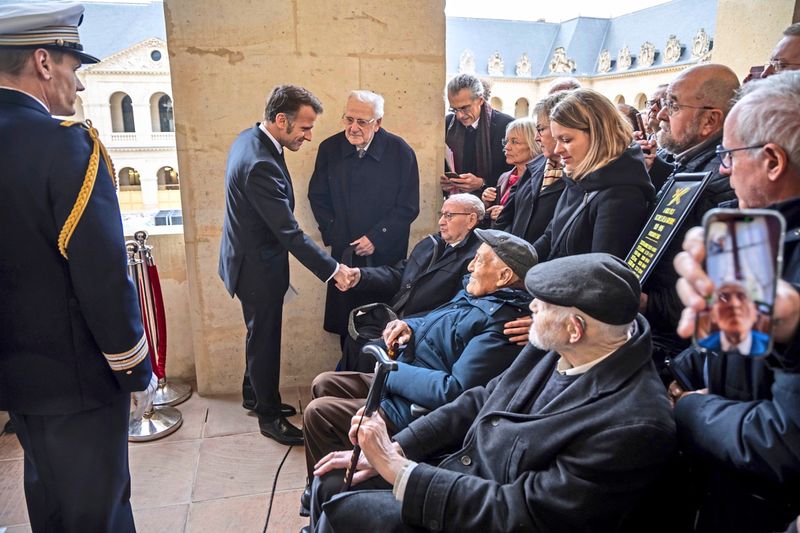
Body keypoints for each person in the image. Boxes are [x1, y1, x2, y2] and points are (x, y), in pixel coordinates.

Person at [308, 253, 675, 532]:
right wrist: (399, 446)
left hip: (489, 512)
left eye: (542, 305)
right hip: (465, 474)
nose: (530, 310)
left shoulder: (631, 425)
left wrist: (399, 469)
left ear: (575, 329)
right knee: (331, 481)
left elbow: (519, 512)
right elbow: (480, 399)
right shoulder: (567, 344)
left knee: (344, 511)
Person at [0, 3, 155, 531]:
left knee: (48, 501)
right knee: (99, 513)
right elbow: (104, 276)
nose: (79, 84)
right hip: (77, 382)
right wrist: (135, 368)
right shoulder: (66, 147)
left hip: (15, 378)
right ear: (44, 62)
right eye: (74, 66)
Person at [671, 71, 800, 532]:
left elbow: (783, 443)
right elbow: (726, 345)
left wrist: (688, 409)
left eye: (729, 155)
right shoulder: (753, 235)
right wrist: (673, 373)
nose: (723, 169)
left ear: (771, 161)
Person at [302, 228, 535, 480]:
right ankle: (351, 467)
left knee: (318, 414)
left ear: (504, 276)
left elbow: (454, 391)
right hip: (406, 376)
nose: (470, 267)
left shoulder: (504, 325)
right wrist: (409, 326)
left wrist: (390, 372)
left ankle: (334, 496)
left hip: (415, 407)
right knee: (323, 382)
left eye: (479, 260)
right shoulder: (477, 294)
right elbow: (438, 320)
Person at [218, 84, 350, 446]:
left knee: (256, 334)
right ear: (280, 120)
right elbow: (290, 234)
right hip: (256, 267)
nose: (309, 137)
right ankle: (268, 416)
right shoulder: (260, 163)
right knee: (265, 341)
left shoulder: (250, 138)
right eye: (305, 128)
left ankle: (253, 395)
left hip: (244, 255)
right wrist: (334, 270)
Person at [640, 64, 739, 381]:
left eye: (673, 105)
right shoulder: (689, 166)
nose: (660, 116)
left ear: (711, 120)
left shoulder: (715, 185)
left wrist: (646, 303)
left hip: (675, 352)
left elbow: (716, 296)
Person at [308, 90, 420, 339]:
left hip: (384, 256)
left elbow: (408, 206)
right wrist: (338, 235)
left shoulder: (400, 152)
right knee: (346, 325)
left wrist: (376, 238)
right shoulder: (329, 148)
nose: (353, 127)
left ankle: (377, 376)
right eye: (349, 119)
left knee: (382, 326)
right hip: (344, 254)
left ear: (378, 123)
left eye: (362, 121)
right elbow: (318, 197)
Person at [337, 193, 484, 372]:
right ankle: (347, 393)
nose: (441, 222)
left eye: (449, 216)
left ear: (471, 220)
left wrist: (412, 325)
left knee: (370, 349)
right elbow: (400, 274)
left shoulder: (477, 258)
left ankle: (368, 397)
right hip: (398, 317)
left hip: (425, 330)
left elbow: (457, 308)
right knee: (355, 337)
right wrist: (360, 275)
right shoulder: (431, 244)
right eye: (442, 214)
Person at [532, 88, 654, 262]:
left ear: (598, 135)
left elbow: (600, 274)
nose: (558, 149)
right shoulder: (579, 178)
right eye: (556, 139)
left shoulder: (621, 194)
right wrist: (516, 265)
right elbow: (552, 236)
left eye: (566, 140)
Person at [493, 91, 568, 244]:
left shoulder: (578, 177)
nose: (536, 137)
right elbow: (506, 219)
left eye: (540, 129)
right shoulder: (533, 168)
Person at [441, 73, 513, 195]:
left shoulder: (506, 126)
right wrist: (445, 182)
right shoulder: (447, 124)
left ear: (480, 100)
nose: (459, 116)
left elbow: (514, 173)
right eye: (454, 109)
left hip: (492, 205)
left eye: (464, 108)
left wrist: (482, 183)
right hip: (455, 202)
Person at [480, 117, 542, 221]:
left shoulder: (541, 178)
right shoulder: (504, 177)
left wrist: (506, 214)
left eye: (514, 142)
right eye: (506, 141)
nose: (507, 147)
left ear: (534, 144)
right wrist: (488, 201)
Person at [697, 280, 770, 355]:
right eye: (724, 298)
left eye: (742, 296)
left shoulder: (770, 346)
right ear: (713, 315)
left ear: (755, 313)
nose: (734, 304)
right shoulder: (700, 349)